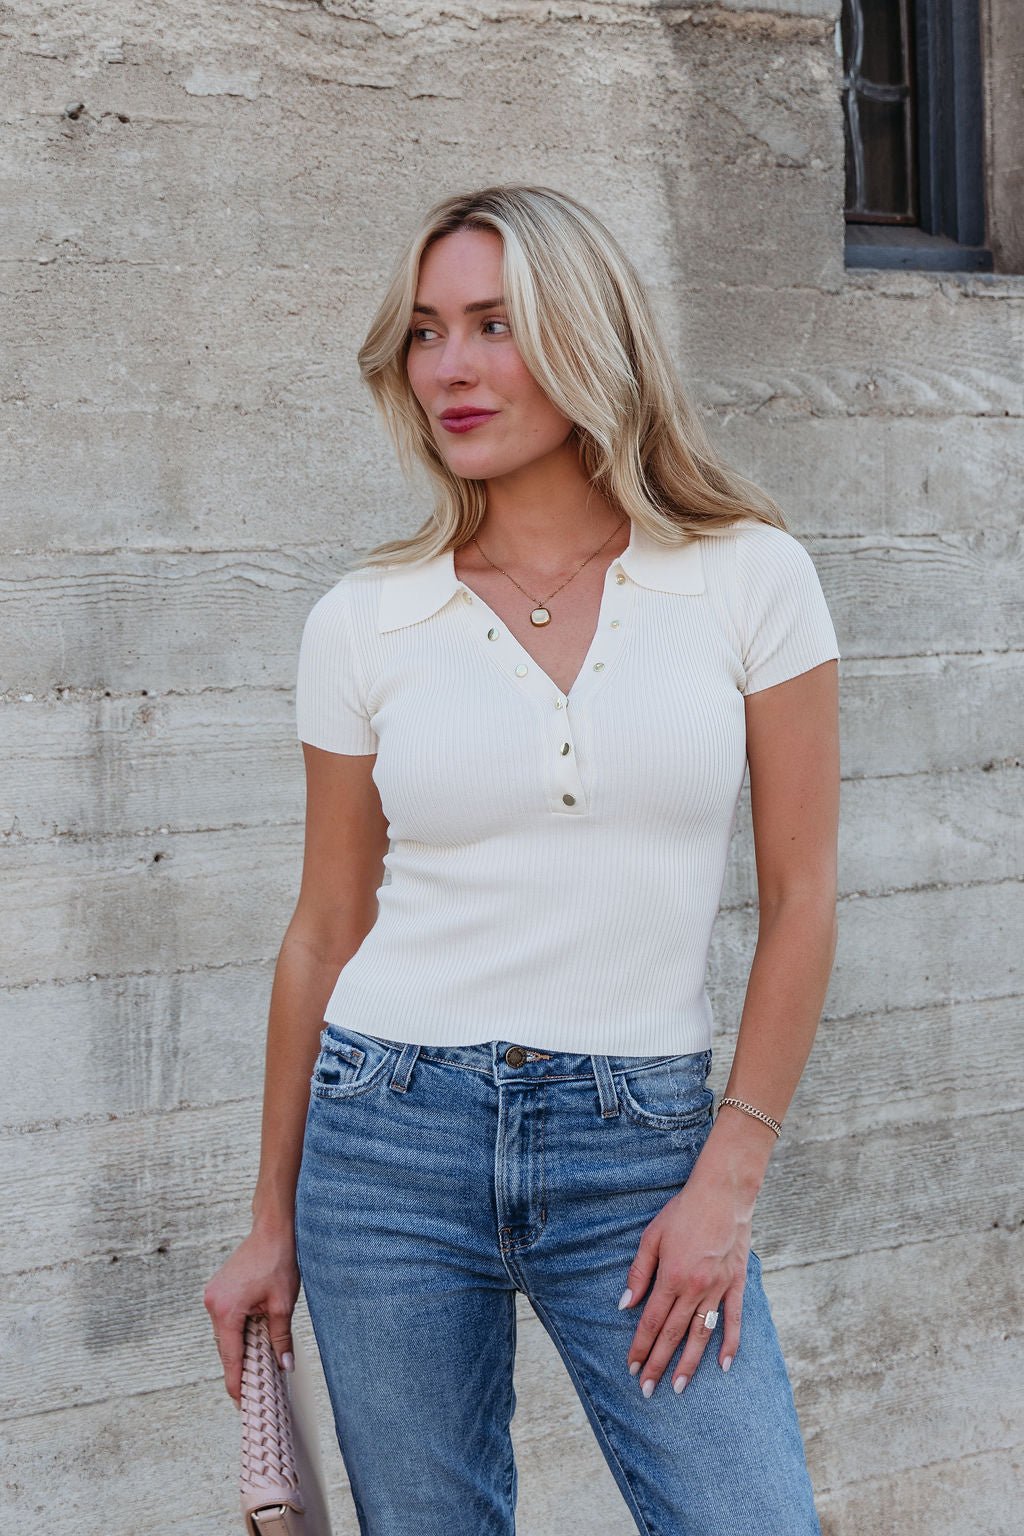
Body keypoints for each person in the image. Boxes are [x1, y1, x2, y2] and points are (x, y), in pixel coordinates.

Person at [204, 183, 840, 1535]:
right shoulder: (365, 620)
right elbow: (323, 927)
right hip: (383, 1140)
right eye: (429, 332)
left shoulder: (750, 578)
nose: (452, 366)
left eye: (495, 323)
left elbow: (802, 899)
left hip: (641, 1146)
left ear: (586, 335)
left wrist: (728, 1173)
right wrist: (269, 1221)